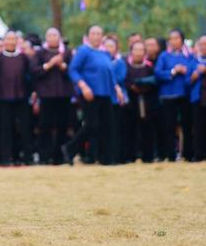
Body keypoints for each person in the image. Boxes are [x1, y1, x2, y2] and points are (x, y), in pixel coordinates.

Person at [63, 25, 123, 165]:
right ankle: (69, 148)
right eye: (93, 33)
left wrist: (117, 88)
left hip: (106, 93)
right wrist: (83, 86)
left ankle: (107, 158)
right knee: (92, 125)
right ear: (88, 36)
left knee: (108, 126)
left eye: (99, 33)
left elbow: (109, 72)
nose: (96, 36)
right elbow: (73, 70)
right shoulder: (84, 50)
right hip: (90, 93)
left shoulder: (105, 53)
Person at [0, 31, 33, 166]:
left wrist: (33, 92)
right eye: (8, 39)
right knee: (5, 129)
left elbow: (32, 75)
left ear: (17, 41)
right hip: (4, 98)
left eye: (13, 39)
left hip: (21, 97)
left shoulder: (23, 57)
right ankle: (5, 158)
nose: (11, 42)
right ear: (4, 41)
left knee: (24, 128)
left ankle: (26, 158)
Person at [30, 28, 74, 165]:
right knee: (45, 126)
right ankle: (44, 156)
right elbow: (34, 71)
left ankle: (59, 157)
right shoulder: (39, 53)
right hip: (46, 95)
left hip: (63, 95)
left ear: (59, 37)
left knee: (62, 126)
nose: (53, 38)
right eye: (50, 35)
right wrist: (48, 65)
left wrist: (62, 66)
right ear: (46, 38)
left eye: (55, 35)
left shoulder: (67, 52)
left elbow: (74, 71)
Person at [154, 29, 193, 162]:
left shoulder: (189, 56)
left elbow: (192, 73)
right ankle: (170, 155)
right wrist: (173, 71)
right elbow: (158, 74)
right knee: (169, 126)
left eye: (176, 38)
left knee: (186, 126)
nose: (173, 41)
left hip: (185, 95)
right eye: (171, 38)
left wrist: (186, 71)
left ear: (182, 40)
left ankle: (188, 154)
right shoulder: (164, 56)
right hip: (168, 96)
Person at [124, 41, 157, 163]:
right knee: (129, 130)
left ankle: (148, 156)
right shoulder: (126, 67)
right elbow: (125, 82)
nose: (138, 53)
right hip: (130, 104)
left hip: (147, 103)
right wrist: (133, 87)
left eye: (141, 50)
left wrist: (145, 87)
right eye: (136, 50)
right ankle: (130, 156)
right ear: (131, 52)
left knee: (147, 130)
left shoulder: (149, 68)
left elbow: (155, 83)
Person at [188, 35, 206, 162]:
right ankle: (198, 154)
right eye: (202, 44)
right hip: (198, 98)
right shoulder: (193, 61)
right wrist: (194, 76)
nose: (204, 47)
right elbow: (186, 81)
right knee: (198, 127)